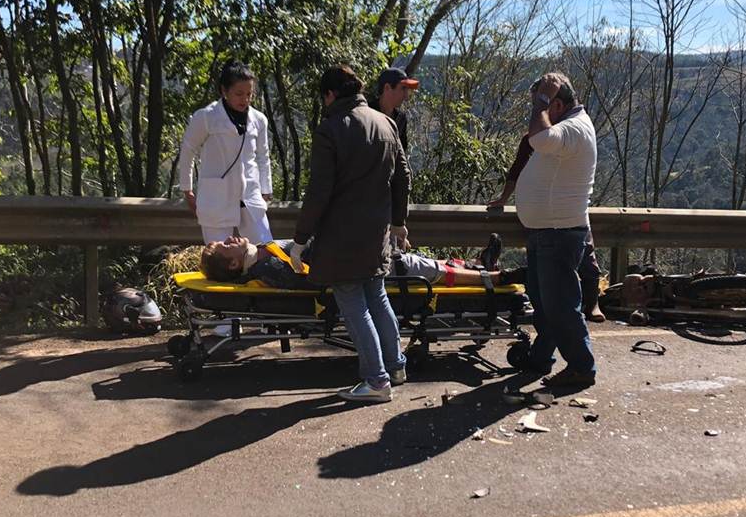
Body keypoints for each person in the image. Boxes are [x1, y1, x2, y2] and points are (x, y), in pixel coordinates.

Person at [288, 64, 411, 404]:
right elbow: (402, 177)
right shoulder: (385, 122)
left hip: (341, 235)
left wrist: (300, 240)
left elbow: (319, 192)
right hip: (377, 231)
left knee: (353, 303)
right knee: (377, 296)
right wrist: (398, 220)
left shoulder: (330, 129)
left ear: (329, 95)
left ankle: (376, 380)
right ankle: (396, 366)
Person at [512, 72, 597, 389]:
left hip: (558, 233)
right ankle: (541, 358)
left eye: (543, 105)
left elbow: (538, 139)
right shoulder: (569, 125)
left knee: (560, 306)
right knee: (545, 302)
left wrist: (541, 103)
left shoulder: (573, 128)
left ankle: (581, 367)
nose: (536, 111)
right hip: (546, 231)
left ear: (558, 104)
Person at [487, 94, 605, 323]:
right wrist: (504, 198)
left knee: (588, 263)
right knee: (543, 279)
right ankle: (551, 331)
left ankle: (592, 305)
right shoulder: (531, 140)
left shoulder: (570, 135)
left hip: (570, 216)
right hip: (541, 221)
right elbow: (516, 171)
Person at [179, 59, 274, 244]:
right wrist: (187, 189)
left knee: (266, 251)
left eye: (249, 94)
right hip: (217, 199)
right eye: (239, 94)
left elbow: (263, 156)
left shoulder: (259, 120)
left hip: (250, 197)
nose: (245, 99)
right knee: (220, 258)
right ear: (224, 91)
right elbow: (188, 149)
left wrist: (265, 189)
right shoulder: (206, 117)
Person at [199, 236, 526, 288]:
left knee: (419, 262)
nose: (230, 239)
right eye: (226, 247)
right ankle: (494, 278)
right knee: (421, 269)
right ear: (232, 265)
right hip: (355, 268)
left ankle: (477, 265)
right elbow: (305, 278)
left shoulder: (261, 258)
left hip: (351, 257)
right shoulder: (265, 267)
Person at [369, 67, 418, 154]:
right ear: (387, 88)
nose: (406, 96)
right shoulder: (366, 114)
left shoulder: (401, 119)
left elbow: (401, 153)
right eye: (403, 89)